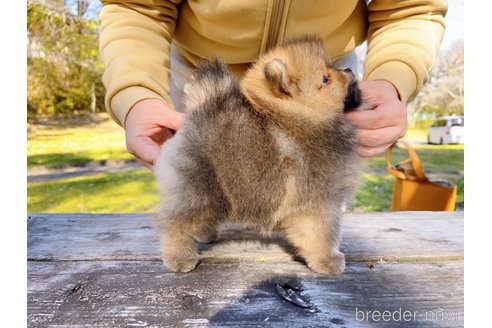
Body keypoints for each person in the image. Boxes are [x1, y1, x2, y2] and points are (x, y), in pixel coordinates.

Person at [98, 0, 447, 169]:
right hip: (204, 79)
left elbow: (410, 8)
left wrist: (392, 80)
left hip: (322, 81)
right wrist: (137, 95)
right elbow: (138, 6)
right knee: (206, 209)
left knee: (313, 211)